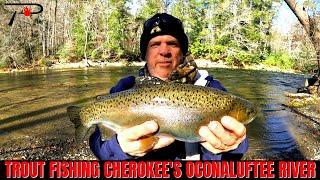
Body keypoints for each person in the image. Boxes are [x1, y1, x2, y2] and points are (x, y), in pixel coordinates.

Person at [89, 13, 248, 160]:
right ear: (145, 53)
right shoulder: (125, 89)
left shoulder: (211, 90)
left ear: (183, 52)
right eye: (155, 44)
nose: (164, 51)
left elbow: (237, 151)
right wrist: (120, 149)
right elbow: (101, 148)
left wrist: (230, 146)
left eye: (172, 43)